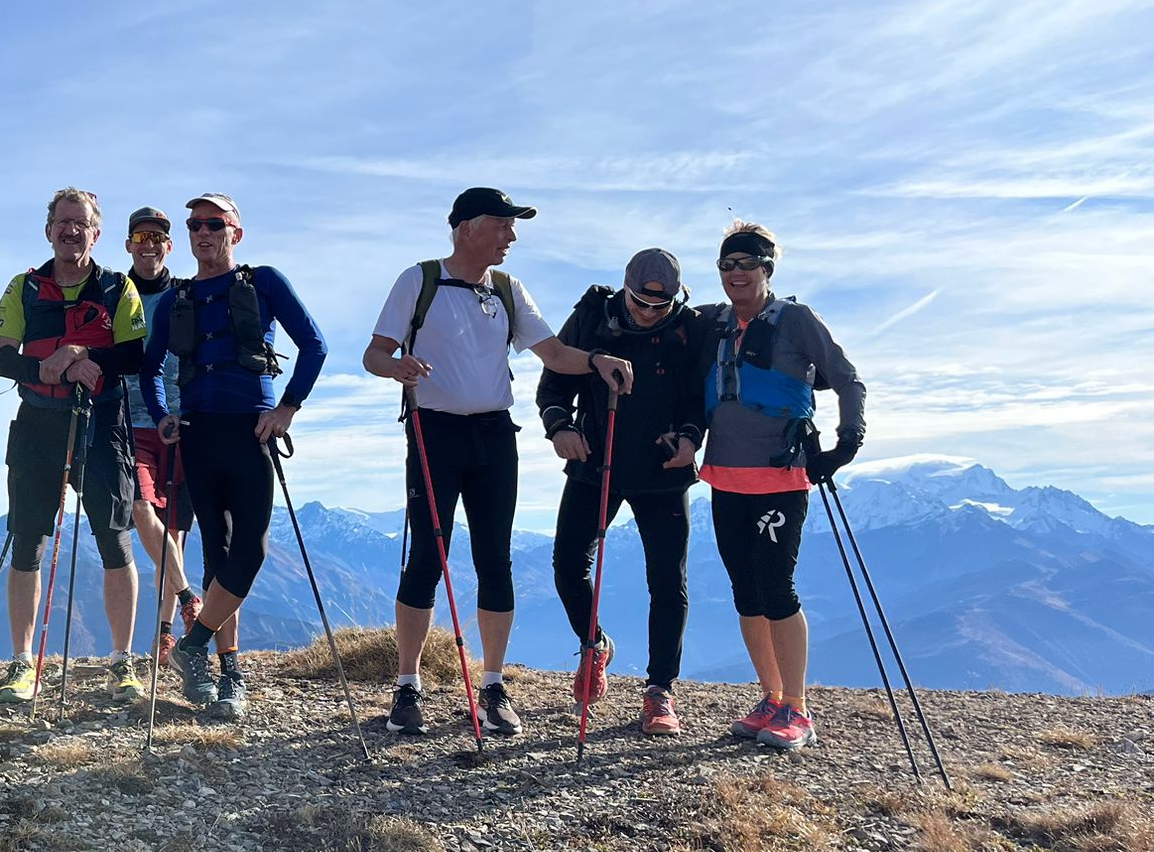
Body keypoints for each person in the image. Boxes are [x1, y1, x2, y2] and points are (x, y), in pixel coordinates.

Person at [361, 187, 632, 738]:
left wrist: (597, 360)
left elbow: (554, 354)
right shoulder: (419, 280)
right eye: (503, 224)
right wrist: (398, 368)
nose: (512, 235)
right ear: (465, 228)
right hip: (433, 432)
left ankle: (491, 685)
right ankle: (406, 686)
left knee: (495, 559)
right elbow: (373, 353)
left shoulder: (507, 290)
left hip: (493, 436)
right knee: (427, 558)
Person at [145, 194, 328, 720]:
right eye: (195, 225)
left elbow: (314, 344)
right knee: (217, 554)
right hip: (198, 434)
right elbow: (150, 366)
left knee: (253, 550)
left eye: (214, 224)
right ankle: (229, 673)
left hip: (252, 430)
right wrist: (162, 415)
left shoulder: (264, 281)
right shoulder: (178, 297)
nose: (203, 232)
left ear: (235, 234)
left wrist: (287, 408)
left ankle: (192, 645)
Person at [694, 220, 865, 753]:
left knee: (776, 587)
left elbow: (846, 377)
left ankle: (797, 707)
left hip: (781, 475)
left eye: (747, 264)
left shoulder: (795, 319)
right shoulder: (711, 323)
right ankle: (770, 697)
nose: (736, 274)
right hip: (724, 476)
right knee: (746, 592)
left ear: (768, 269)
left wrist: (847, 441)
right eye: (727, 265)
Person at [536, 248, 706, 737]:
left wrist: (691, 436)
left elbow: (699, 394)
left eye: (661, 306)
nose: (649, 313)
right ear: (624, 287)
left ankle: (660, 692)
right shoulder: (592, 315)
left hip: (664, 469)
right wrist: (560, 428)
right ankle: (595, 645)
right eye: (640, 302)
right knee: (568, 563)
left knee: (667, 581)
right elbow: (553, 385)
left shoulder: (688, 328)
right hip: (595, 460)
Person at [0, 188, 148, 704]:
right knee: (28, 539)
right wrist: (52, 365)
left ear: (95, 234)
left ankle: (122, 662)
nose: (70, 230)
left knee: (113, 536)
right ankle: (22, 663)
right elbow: (1, 361)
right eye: (62, 222)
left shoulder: (119, 287)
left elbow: (135, 356)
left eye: (81, 223)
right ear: (48, 230)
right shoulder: (23, 288)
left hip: (103, 425)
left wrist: (78, 351)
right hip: (38, 423)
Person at [122, 207, 200, 664]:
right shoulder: (114, 292)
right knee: (139, 510)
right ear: (129, 244)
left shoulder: (185, 295)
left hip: (180, 423)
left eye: (157, 238)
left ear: (168, 246)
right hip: (126, 422)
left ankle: (166, 636)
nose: (148, 245)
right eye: (139, 237)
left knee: (174, 534)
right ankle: (190, 598)